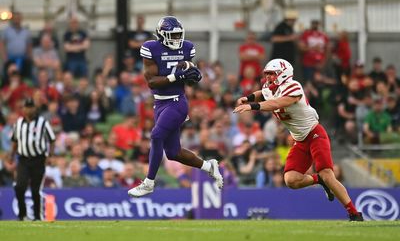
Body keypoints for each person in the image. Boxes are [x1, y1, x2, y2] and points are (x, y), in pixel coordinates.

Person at [233, 58, 363, 221]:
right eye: (267, 75)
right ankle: (318, 180)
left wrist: (252, 106)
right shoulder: (270, 87)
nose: (268, 78)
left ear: (283, 74)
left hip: (315, 133)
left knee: (328, 173)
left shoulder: (294, 86)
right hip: (300, 140)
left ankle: (354, 213)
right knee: (291, 180)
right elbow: (264, 93)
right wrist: (249, 98)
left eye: (272, 74)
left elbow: (278, 102)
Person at [128, 16, 223, 197]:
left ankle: (148, 182)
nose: (177, 39)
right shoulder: (151, 48)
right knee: (173, 153)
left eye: (179, 34)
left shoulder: (186, 48)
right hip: (160, 103)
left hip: (177, 102)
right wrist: (177, 76)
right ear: (161, 35)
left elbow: (192, 79)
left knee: (156, 135)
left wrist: (193, 74)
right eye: (173, 35)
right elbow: (152, 82)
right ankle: (209, 166)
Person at [9, 98, 56, 221]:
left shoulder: (43, 122)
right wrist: (11, 155)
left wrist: (50, 155)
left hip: (38, 159)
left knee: (36, 190)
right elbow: (15, 141)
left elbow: (51, 139)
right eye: (27, 107)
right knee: (19, 186)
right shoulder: (18, 123)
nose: (29, 109)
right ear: (23, 109)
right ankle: (22, 214)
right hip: (23, 159)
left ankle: (37, 216)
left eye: (31, 107)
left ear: (35, 108)